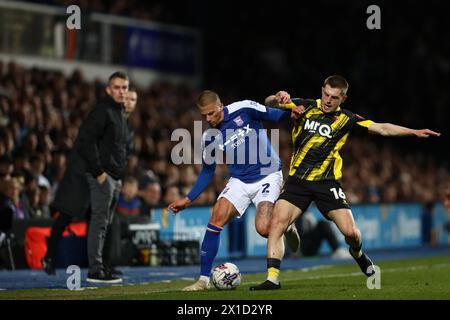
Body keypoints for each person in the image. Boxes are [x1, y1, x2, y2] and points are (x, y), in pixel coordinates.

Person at [250, 75, 441, 290]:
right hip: (298, 182)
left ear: (343, 99)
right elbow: (266, 103)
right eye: (326, 94)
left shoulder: (347, 119)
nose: (328, 100)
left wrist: (414, 132)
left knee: (351, 233)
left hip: (326, 183)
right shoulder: (303, 105)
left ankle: (358, 253)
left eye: (334, 97)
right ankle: (272, 279)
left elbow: (382, 128)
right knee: (276, 224)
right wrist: (277, 98)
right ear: (321, 90)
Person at [168, 90, 302, 291]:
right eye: (204, 115)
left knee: (264, 228)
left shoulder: (244, 108)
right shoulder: (209, 136)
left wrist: (287, 105)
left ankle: (286, 225)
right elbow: (207, 171)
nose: (208, 119)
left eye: (211, 113)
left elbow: (279, 116)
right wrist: (188, 199)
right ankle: (203, 280)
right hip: (239, 180)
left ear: (220, 105)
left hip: (268, 174)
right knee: (216, 218)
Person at [42, 72, 131, 283]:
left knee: (100, 221)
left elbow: (116, 148)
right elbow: (85, 141)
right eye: (117, 87)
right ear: (109, 89)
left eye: (124, 87)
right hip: (88, 173)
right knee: (72, 214)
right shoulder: (103, 111)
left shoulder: (118, 113)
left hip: (102, 174)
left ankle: (100, 265)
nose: (121, 91)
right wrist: (100, 171)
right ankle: (87, 265)